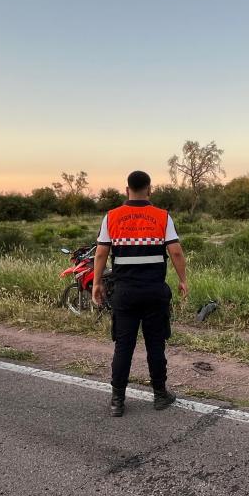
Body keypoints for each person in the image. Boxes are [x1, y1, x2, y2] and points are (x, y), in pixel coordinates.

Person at [91, 171, 188, 417]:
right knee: (156, 344)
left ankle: (117, 400)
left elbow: (101, 253)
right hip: (154, 291)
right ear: (149, 189)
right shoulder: (162, 216)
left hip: (125, 292)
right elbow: (175, 252)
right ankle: (160, 395)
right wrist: (183, 280)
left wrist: (97, 283)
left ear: (127, 190)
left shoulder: (111, 216)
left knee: (124, 345)